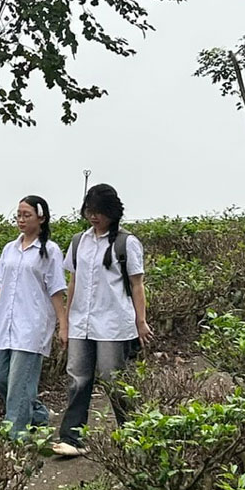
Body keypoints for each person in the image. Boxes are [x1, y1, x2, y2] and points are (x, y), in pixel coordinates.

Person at [52, 184, 153, 457]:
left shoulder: (126, 242)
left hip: (113, 323)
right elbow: (74, 281)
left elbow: (137, 284)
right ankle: (72, 438)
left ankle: (131, 436)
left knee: (114, 380)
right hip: (81, 322)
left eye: (99, 212)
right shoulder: (78, 241)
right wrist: (66, 321)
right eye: (89, 211)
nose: (94, 217)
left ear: (112, 212)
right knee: (77, 378)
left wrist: (140, 321)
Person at [0, 195, 67, 439]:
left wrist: (63, 324)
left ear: (41, 218)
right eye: (19, 215)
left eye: (27, 215)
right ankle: (38, 415)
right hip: (5, 324)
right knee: (2, 378)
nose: (21, 220)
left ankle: (16, 435)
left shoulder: (50, 251)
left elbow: (56, 291)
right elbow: (1, 285)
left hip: (32, 327)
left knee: (19, 386)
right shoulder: (10, 249)